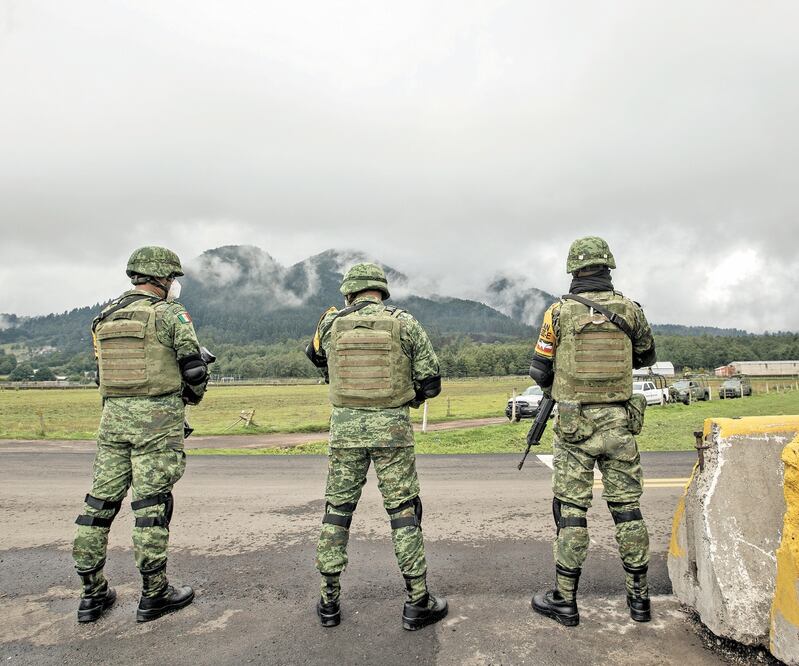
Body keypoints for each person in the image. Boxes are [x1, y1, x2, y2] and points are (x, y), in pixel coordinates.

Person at [305, 262, 448, 631]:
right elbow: (431, 382)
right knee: (404, 512)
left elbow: (315, 355)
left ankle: (329, 602)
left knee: (337, 512)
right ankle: (417, 602)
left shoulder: (330, 323)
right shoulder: (404, 322)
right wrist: (406, 399)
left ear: (349, 293)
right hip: (392, 432)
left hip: (345, 433)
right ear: (381, 291)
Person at [72, 246, 210, 623]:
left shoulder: (104, 317)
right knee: (151, 508)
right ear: (161, 278)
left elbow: (101, 375)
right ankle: (154, 594)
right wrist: (192, 396)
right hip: (156, 423)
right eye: (172, 278)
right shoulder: (169, 313)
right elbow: (194, 369)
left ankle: (91, 595)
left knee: (98, 507)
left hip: (113, 421)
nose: (174, 284)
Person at [528, 237, 657, 627]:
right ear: (608, 266)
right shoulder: (631, 310)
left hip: (574, 426)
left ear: (573, 269)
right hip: (619, 423)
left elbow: (539, 369)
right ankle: (639, 601)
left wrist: (562, 383)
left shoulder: (557, 313)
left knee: (571, 511)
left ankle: (565, 601)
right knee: (627, 509)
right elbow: (646, 355)